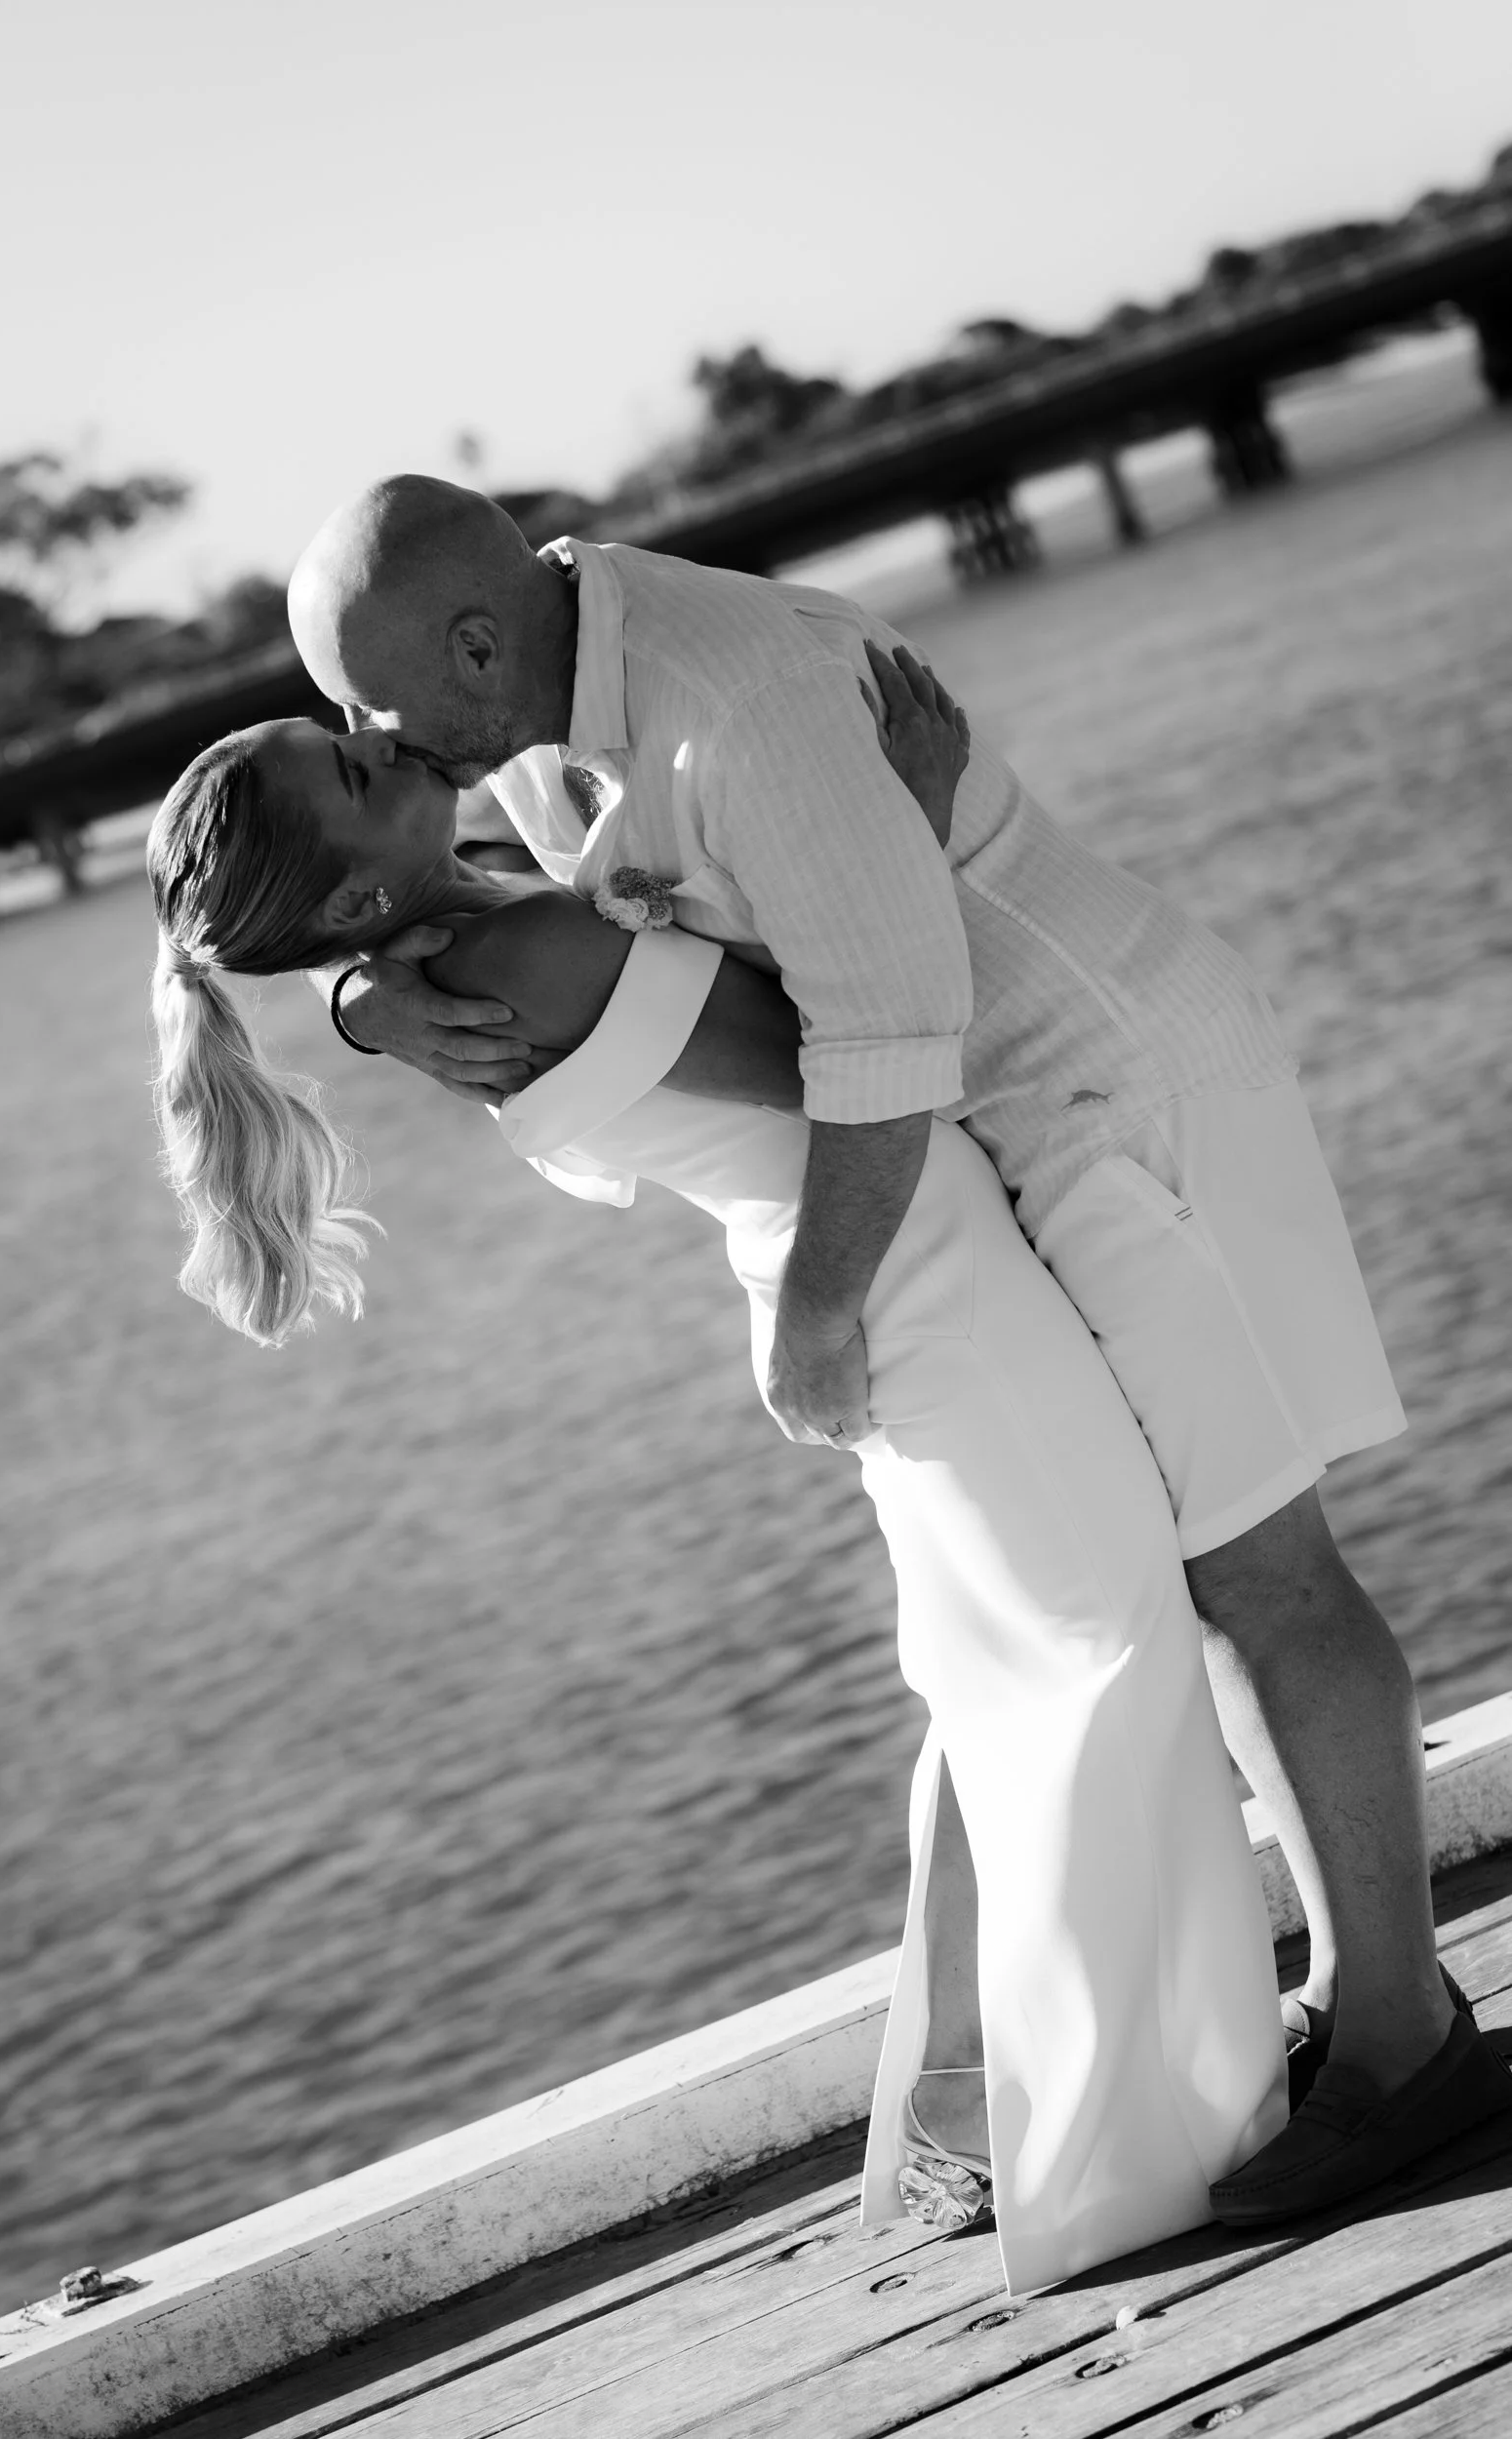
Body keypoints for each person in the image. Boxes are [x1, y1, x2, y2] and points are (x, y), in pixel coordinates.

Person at [282, 476, 1510, 2221]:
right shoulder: (547, 723)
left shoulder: (733, 702)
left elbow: (879, 1034)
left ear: (477, 643)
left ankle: (1403, 2042)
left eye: (368, 708)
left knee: (1261, 1568)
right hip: (1010, 1134)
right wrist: (354, 987)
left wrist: (819, 1311)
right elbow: (606, 943)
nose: (366, 738)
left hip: (1102, 1090)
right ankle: (1354, 2004)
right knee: (1194, 1579)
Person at [144, 677, 1289, 2297]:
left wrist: (345, 1003)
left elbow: (316, 943)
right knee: (1103, 1662)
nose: (391, 741)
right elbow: (870, 1053)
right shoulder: (500, 957)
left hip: (900, 1280)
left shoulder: (431, 946)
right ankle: (1135, 2135)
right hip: (919, 1293)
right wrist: (896, 821)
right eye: (352, 761)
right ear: (343, 893)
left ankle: (996, 2098)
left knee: (994, 1689)